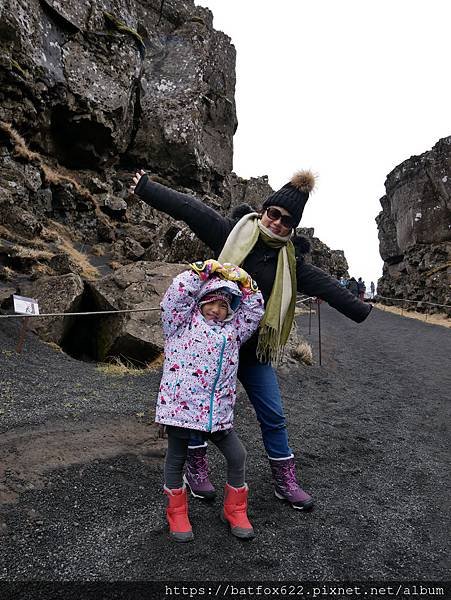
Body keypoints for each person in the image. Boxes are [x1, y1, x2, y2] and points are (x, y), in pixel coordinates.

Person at [130, 168, 372, 511]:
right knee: (195, 409)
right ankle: (197, 468)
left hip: (254, 351)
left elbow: (328, 287)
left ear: (292, 228)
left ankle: (284, 480)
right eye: (274, 213)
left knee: (273, 414)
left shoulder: (291, 263)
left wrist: (362, 311)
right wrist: (147, 188)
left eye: (287, 221)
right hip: (209, 350)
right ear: (264, 210)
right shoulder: (232, 233)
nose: (277, 223)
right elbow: (192, 209)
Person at [158, 259, 264, 542]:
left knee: (237, 455)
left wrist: (245, 281)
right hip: (180, 407)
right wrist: (201, 272)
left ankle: (235, 509)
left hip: (216, 412)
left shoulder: (234, 332)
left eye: (224, 306)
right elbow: (175, 296)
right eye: (212, 302)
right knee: (176, 458)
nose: (217, 310)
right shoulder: (179, 324)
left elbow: (254, 309)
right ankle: (176, 512)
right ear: (201, 301)